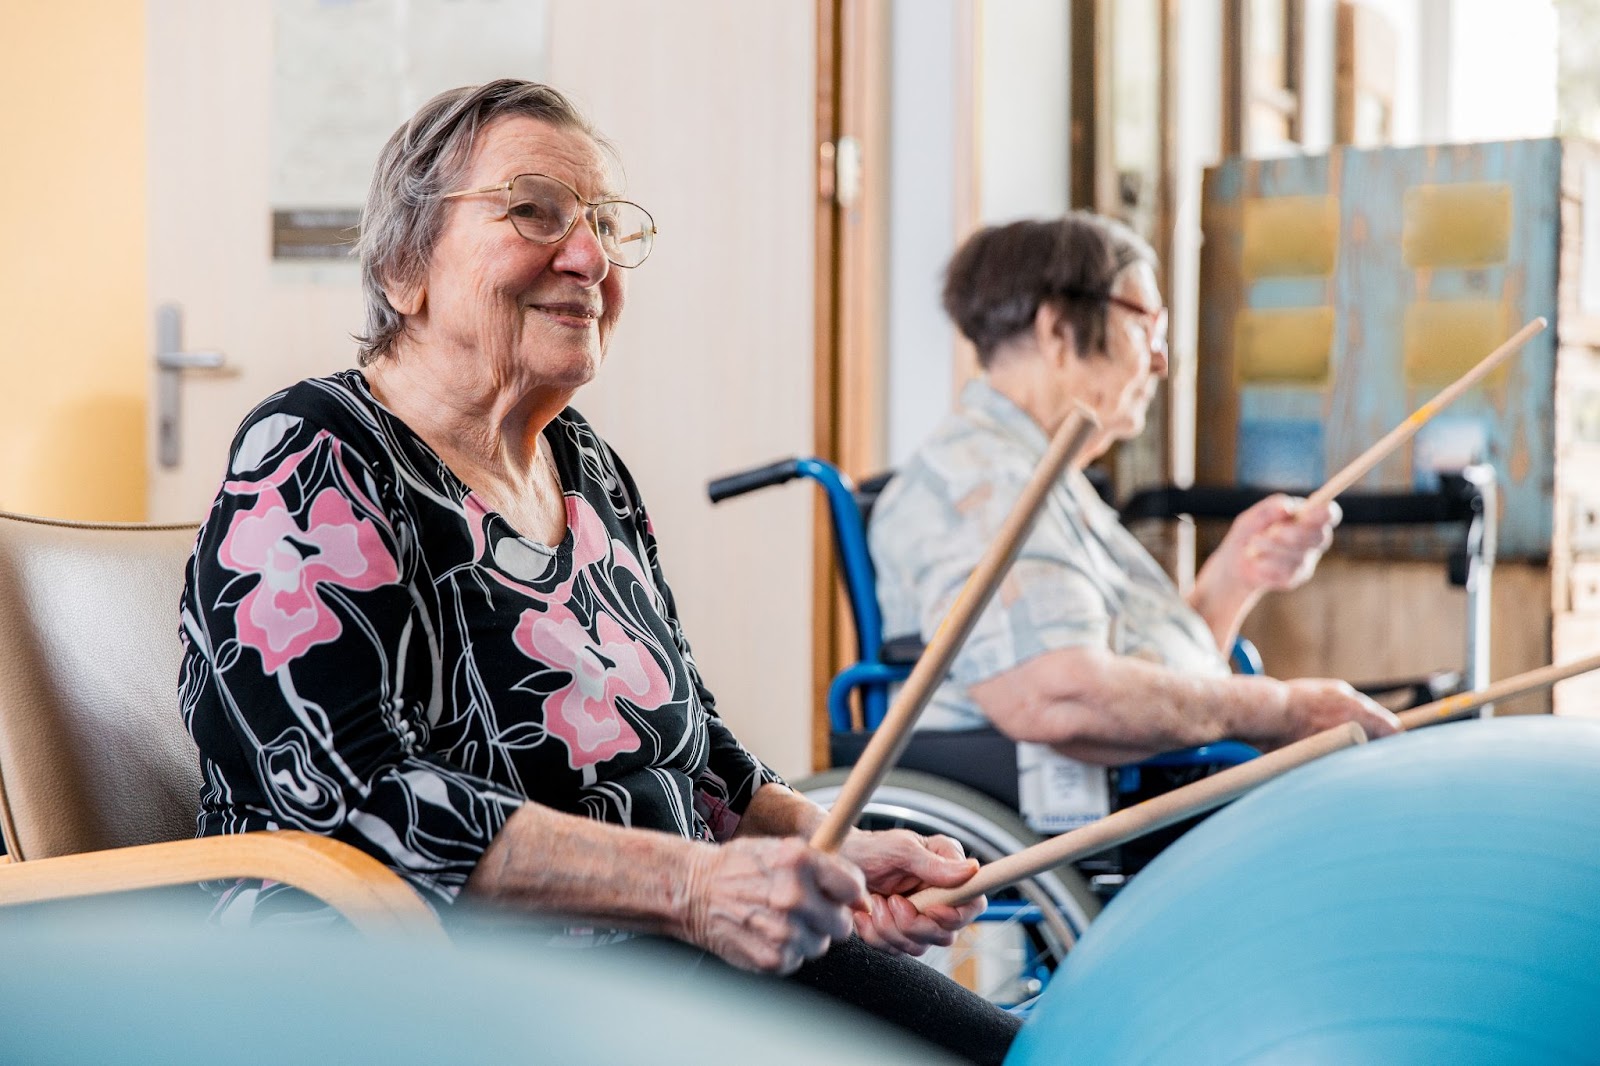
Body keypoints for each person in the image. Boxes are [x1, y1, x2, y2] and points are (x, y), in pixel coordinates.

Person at [179, 80, 1015, 1063]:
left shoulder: (585, 465)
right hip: (395, 987)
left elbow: (699, 751)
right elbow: (357, 796)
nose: (589, 257)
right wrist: (693, 887)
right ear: (407, 264)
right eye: (534, 211)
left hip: (643, 952)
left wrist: (829, 847)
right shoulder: (314, 454)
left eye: (606, 225)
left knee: (1005, 1053)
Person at [869, 213, 1400, 831]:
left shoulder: (1045, 476)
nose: (1160, 361)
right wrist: (1285, 708)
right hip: (1066, 807)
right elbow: (1062, 695)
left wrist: (1232, 580)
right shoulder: (984, 484)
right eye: (1147, 325)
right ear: (1059, 329)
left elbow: (1129, 674)